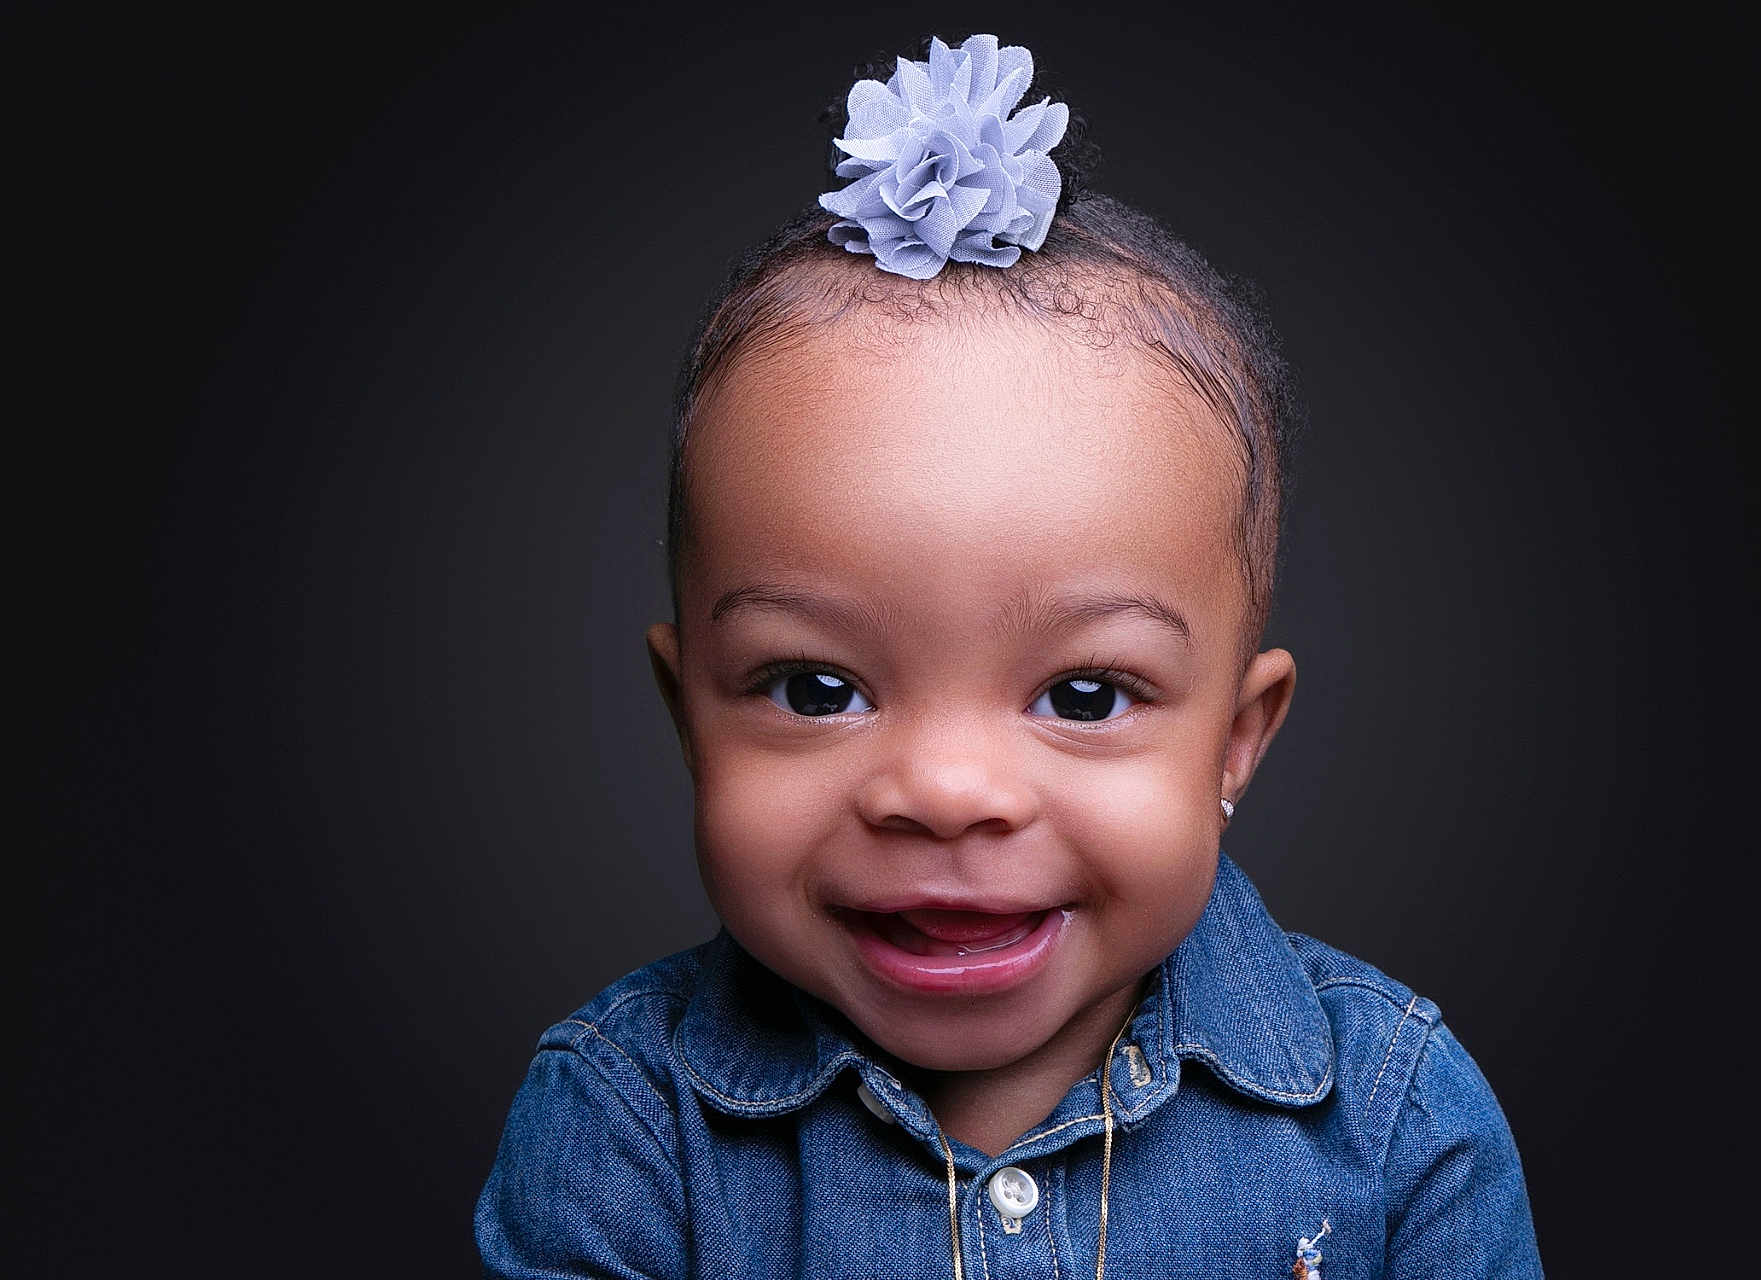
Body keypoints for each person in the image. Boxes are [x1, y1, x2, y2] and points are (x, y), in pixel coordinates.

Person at [477, 33, 1541, 1278]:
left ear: (1236, 740)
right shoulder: (624, 1133)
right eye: (817, 688)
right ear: (686, 711)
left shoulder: (1393, 1118)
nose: (944, 790)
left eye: (1083, 695)